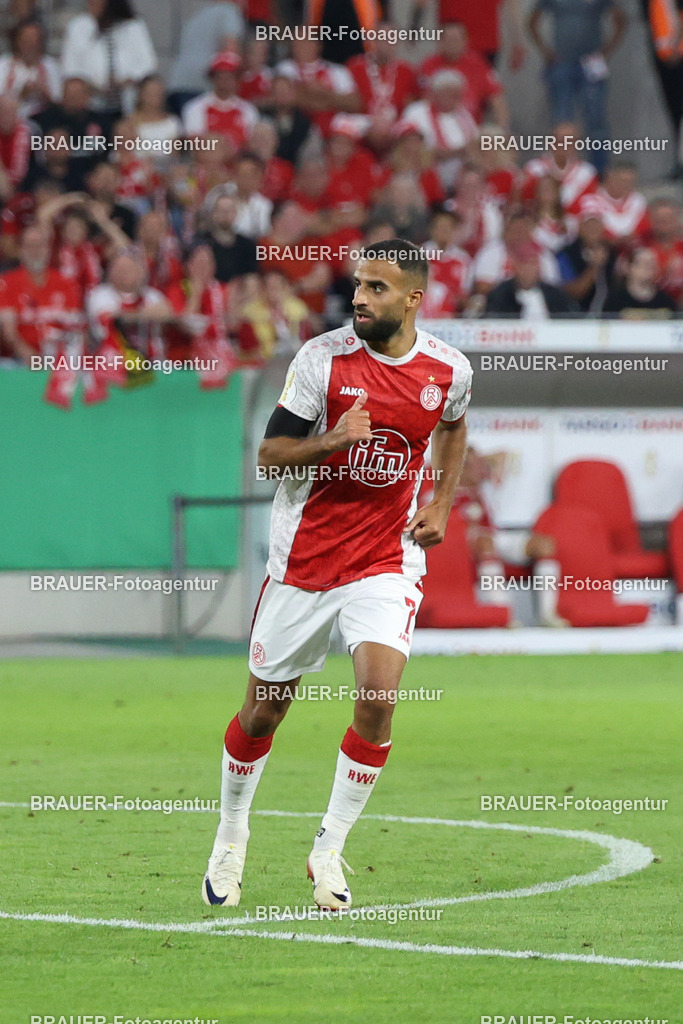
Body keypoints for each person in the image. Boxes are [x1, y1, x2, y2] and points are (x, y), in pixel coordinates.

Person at [201, 238, 472, 911]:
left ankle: (327, 848)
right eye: (357, 284)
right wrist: (331, 439)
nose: (359, 297)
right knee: (264, 711)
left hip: (384, 559)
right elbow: (270, 455)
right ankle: (231, 835)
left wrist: (439, 500)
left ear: (413, 298)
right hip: (303, 563)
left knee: (378, 699)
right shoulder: (322, 360)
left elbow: (453, 426)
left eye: (377, 288)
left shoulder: (448, 368)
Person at [527, 0, 627, 175]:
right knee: (562, 121)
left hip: (591, 62)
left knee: (596, 121)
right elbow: (532, 20)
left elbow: (620, 17)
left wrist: (606, 51)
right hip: (562, 62)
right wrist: (545, 50)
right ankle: (560, 172)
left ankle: (599, 173)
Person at [60, 0, 158, 117]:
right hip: (90, 102)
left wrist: (127, 80)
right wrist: (92, 86)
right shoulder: (78, 26)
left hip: (127, 101)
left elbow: (148, 63)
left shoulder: (133, 26)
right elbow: (71, 67)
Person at [0, 223, 82, 361]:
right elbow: (9, 333)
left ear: (48, 249)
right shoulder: (6, 282)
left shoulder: (66, 283)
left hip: (61, 358)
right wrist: (33, 358)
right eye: (30, 246)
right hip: (20, 359)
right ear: (20, 250)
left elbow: (75, 327)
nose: (35, 251)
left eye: (40, 245)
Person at [167, 0, 245, 116]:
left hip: (176, 83)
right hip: (201, 84)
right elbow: (230, 51)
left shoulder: (198, 16)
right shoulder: (229, 12)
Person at [182, 51, 259, 151]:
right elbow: (194, 143)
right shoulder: (195, 107)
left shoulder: (249, 110)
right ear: (212, 79)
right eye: (220, 77)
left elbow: (252, 144)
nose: (225, 82)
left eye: (230, 77)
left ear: (237, 80)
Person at [485, 241, 576, 318]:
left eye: (532, 264)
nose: (528, 270)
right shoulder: (500, 295)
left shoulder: (555, 295)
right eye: (523, 264)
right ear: (514, 266)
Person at [0, 18, 61, 120]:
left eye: (35, 40)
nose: (31, 45)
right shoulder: (3, 64)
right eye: (26, 39)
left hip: (44, 121)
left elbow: (60, 102)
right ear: (17, 41)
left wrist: (44, 93)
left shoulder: (51, 65)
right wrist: (21, 94)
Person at [196, 186, 258, 284]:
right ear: (213, 213)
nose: (226, 215)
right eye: (221, 210)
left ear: (236, 213)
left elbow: (251, 277)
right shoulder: (201, 241)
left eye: (229, 210)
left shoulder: (247, 245)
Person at [557, 212, 617, 313]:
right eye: (589, 227)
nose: (593, 231)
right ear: (580, 228)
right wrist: (594, 266)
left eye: (596, 227)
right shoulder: (566, 254)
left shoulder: (611, 253)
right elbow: (574, 292)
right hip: (575, 314)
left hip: (606, 315)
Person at [603, 247, 677, 318]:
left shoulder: (665, 302)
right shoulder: (615, 301)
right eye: (642, 263)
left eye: (652, 263)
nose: (648, 267)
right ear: (628, 267)